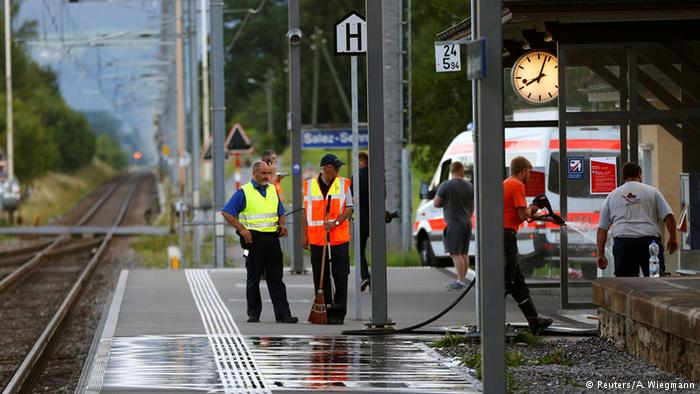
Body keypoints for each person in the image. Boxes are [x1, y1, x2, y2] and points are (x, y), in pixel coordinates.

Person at [221, 161, 298, 324]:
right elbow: (227, 212)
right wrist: (242, 229)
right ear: (254, 173)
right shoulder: (244, 192)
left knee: (276, 278)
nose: (267, 176)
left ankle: (283, 314)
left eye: (268, 173)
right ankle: (254, 314)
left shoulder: (272, 190)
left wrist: (282, 225)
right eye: (263, 173)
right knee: (254, 278)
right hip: (253, 240)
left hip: (272, 239)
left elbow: (280, 211)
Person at [596, 161, 678, 276]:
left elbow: (602, 229)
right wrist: (673, 237)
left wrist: (600, 254)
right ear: (639, 174)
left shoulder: (612, 196)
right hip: (650, 243)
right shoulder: (652, 192)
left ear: (623, 176)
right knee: (655, 282)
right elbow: (668, 215)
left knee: (626, 284)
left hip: (624, 244)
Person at [302, 154, 354, 324]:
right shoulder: (309, 186)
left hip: (339, 237)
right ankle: (324, 309)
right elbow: (305, 212)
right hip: (317, 238)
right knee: (320, 276)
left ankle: (338, 313)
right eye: (335, 167)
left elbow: (349, 208)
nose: (338, 170)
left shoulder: (343, 184)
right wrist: (304, 235)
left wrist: (336, 222)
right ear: (325, 169)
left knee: (340, 276)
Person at [504, 156, 554, 335]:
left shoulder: (506, 183)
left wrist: (542, 215)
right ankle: (491, 321)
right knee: (507, 280)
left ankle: (534, 321)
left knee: (518, 282)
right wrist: (534, 206)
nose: (530, 176)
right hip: (507, 237)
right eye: (529, 172)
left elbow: (519, 213)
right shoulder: (517, 185)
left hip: (503, 236)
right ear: (523, 171)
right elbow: (522, 215)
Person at [434, 161, 474, 290]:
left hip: (454, 223)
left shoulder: (446, 185)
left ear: (451, 171)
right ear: (461, 171)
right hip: (467, 222)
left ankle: (460, 281)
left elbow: (436, 203)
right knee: (464, 253)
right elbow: (472, 206)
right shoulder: (469, 186)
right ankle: (464, 279)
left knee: (455, 253)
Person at [357, 152, 371, 291]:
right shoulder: (376, 176)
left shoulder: (357, 177)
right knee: (377, 250)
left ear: (362, 161)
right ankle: (376, 277)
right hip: (376, 218)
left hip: (362, 219)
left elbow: (350, 197)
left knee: (360, 249)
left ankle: (365, 275)